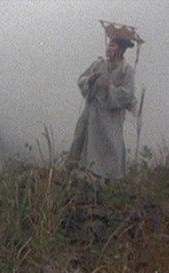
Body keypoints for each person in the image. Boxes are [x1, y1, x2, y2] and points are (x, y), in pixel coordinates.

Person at [68, 26, 140, 180]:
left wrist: (111, 90)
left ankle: (110, 179)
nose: (108, 48)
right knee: (82, 138)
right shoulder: (98, 65)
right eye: (109, 44)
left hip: (111, 117)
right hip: (92, 112)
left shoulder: (126, 70)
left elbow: (128, 94)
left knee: (111, 145)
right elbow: (81, 80)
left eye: (113, 45)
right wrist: (90, 80)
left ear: (121, 49)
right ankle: (78, 173)